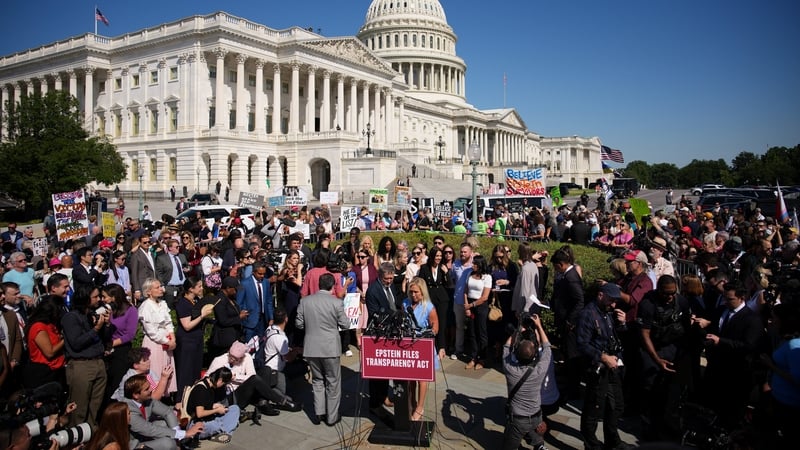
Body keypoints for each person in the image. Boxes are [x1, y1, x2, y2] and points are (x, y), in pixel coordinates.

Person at [696, 280, 763, 428]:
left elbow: (748, 345)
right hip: (717, 367)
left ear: (741, 298)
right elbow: (714, 329)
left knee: (731, 411)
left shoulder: (752, 319)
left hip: (736, 371)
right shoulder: (721, 311)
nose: (726, 301)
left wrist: (721, 341)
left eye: (730, 299)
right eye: (725, 298)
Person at [576, 283, 633, 450]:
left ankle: (613, 441)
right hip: (597, 368)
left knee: (617, 405)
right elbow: (582, 344)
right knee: (593, 407)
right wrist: (602, 357)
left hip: (612, 366)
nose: (613, 304)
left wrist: (622, 324)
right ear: (601, 295)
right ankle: (591, 444)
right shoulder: (588, 314)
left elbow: (614, 338)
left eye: (616, 301)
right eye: (611, 300)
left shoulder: (607, 313)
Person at [637, 275, 691, 440]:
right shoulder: (647, 304)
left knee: (671, 391)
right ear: (658, 290)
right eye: (666, 293)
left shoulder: (681, 301)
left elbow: (686, 326)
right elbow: (644, 334)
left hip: (673, 348)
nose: (669, 297)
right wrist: (656, 359)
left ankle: (668, 424)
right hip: (653, 350)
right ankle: (649, 429)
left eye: (672, 293)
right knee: (651, 390)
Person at [295, 273, 350, 426]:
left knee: (317, 380)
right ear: (332, 286)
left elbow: (299, 324)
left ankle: (319, 413)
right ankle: (332, 417)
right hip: (330, 347)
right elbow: (345, 324)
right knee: (333, 382)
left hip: (311, 346)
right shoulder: (336, 303)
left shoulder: (305, 301)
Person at [502, 313, 551, 450]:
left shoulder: (510, 369)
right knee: (534, 434)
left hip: (518, 418)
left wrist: (518, 329)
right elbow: (547, 347)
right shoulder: (540, 369)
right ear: (535, 354)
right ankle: (539, 446)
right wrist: (539, 326)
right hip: (536, 415)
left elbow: (506, 347)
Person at [62, 285, 109, 427]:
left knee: (95, 407)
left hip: (98, 362)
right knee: (79, 408)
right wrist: (95, 329)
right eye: (95, 297)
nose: (99, 299)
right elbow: (77, 343)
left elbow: (103, 339)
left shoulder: (91, 315)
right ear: (85, 299)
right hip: (81, 365)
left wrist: (105, 325)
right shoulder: (71, 318)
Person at [206, 341, 294, 417]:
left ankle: (263, 402)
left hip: (245, 388)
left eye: (236, 359)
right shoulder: (219, 360)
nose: (232, 360)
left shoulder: (247, 358)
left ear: (242, 357)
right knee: (255, 380)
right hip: (232, 395)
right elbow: (207, 378)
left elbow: (252, 375)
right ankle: (281, 400)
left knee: (266, 369)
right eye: (230, 356)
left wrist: (236, 377)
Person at [122, 375, 203, 450]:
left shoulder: (146, 400)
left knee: (165, 424)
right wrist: (184, 434)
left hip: (145, 436)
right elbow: (149, 430)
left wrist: (178, 436)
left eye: (149, 386)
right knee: (168, 443)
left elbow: (167, 412)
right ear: (136, 395)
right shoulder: (128, 409)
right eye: (146, 389)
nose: (151, 390)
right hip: (134, 444)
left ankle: (179, 445)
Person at [403, 278, 440, 421]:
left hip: (423, 344)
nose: (413, 295)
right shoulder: (405, 303)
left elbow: (435, 327)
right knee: (410, 378)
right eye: (411, 292)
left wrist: (429, 333)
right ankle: (411, 401)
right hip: (409, 343)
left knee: (421, 379)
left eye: (416, 292)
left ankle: (420, 406)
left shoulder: (429, 307)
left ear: (422, 292)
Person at [550, 248, 585, 401]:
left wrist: (571, 320)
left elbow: (579, 300)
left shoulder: (571, 277)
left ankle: (573, 388)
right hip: (564, 319)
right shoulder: (566, 275)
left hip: (570, 323)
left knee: (572, 355)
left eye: (556, 267)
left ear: (561, 264)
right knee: (567, 352)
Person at [138, 278, 177, 399]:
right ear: (149, 291)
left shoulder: (162, 303)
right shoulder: (145, 307)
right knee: (155, 369)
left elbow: (168, 322)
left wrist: (173, 338)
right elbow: (152, 332)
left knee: (166, 367)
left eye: (161, 286)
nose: (161, 289)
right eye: (157, 287)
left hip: (167, 342)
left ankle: (165, 395)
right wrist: (167, 341)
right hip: (154, 343)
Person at [175, 277, 213, 396]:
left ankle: (192, 396)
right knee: (185, 371)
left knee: (195, 370)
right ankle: (181, 399)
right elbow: (187, 325)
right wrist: (202, 316)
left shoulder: (195, 300)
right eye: (199, 287)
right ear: (191, 289)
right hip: (187, 341)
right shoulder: (183, 303)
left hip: (196, 339)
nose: (202, 289)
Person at [103, 284, 139, 401]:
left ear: (114, 297)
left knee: (116, 384)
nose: (103, 299)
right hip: (106, 350)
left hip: (121, 350)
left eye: (105, 297)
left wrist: (111, 345)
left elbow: (130, 334)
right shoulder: (107, 310)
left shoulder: (131, 310)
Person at [185, 367, 240, 443]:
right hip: (196, 423)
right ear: (220, 380)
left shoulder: (211, 386)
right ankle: (226, 430)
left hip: (209, 418)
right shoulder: (201, 389)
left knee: (235, 408)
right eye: (224, 383)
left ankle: (223, 432)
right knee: (215, 425)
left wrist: (214, 406)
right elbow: (199, 414)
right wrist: (217, 410)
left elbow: (205, 404)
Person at [22, 296, 65, 389]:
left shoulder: (51, 325)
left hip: (56, 370)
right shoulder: (38, 327)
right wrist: (65, 340)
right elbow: (49, 352)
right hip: (44, 373)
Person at [417, 247, 450, 360]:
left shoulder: (442, 268)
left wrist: (446, 273)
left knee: (442, 323)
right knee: (430, 323)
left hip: (442, 299)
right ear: (432, 256)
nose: (438, 258)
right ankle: (430, 346)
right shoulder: (424, 268)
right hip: (429, 298)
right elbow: (420, 283)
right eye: (437, 256)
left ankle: (441, 347)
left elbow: (449, 285)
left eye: (440, 256)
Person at [464, 254, 492, 370]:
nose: (473, 265)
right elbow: (465, 291)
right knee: (472, 332)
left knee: (482, 333)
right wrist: (467, 306)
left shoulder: (487, 277)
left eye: (475, 263)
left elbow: (485, 297)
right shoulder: (469, 274)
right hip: (470, 304)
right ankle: (473, 357)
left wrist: (472, 305)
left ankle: (482, 358)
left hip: (481, 306)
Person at [208, 277, 245, 358]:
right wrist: (239, 317)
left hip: (234, 336)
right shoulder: (220, 300)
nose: (236, 291)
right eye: (235, 289)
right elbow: (223, 320)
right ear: (228, 288)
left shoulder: (231, 298)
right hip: (224, 339)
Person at [236, 262, 273, 342]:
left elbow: (269, 301)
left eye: (264, 274)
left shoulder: (266, 282)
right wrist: (244, 314)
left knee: (261, 345)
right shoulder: (244, 283)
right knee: (249, 346)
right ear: (253, 272)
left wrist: (271, 317)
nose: (262, 276)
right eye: (260, 274)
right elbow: (239, 302)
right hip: (249, 322)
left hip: (263, 321)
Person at [155, 239, 188, 309]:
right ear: (170, 248)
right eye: (176, 247)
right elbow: (159, 273)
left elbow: (188, 265)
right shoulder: (162, 259)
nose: (178, 248)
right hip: (170, 288)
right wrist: (162, 285)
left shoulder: (181, 256)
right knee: (170, 308)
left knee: (184, 308)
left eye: (179, 246)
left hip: (183, 287)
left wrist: (188, 268)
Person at [129, 234, 156, 303]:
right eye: (144, 242)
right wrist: (136, 289)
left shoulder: (151, 253)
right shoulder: (136, 255)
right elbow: (134, 273)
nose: (147, 244)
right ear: (140, 243)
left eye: (148, 242)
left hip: (152, 283)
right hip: (142, 285)